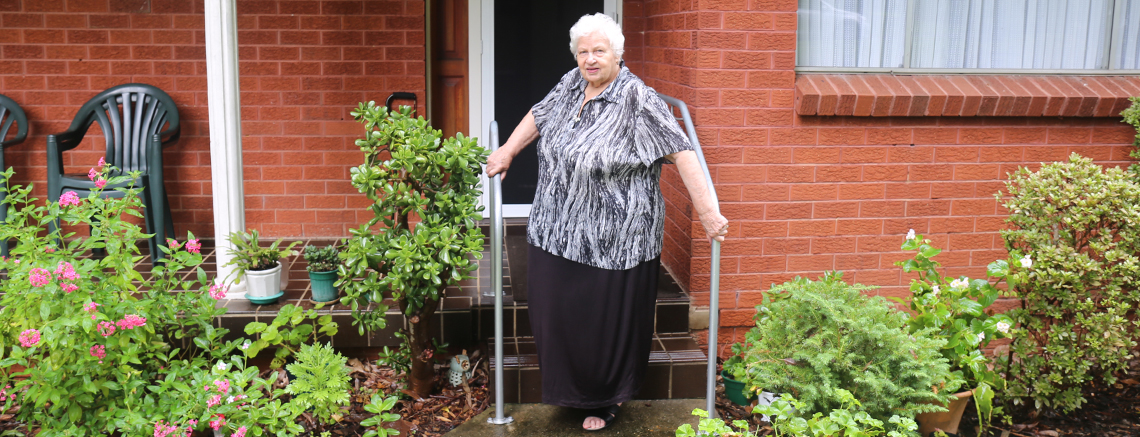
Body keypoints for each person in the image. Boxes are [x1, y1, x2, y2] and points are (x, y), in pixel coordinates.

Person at [485, 13, 729, 431]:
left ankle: (605, 399)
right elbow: (539, 115)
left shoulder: (639, 99)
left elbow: (682, 152)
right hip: (555, 227)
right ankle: (571, 391)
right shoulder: (570, 84)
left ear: (618, 53)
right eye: (583, 52)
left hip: (615, 238)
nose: (590, 60)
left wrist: (707, 211)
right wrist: (507, 150)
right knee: (556, 314)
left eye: (599, 51)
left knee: (602, 323)